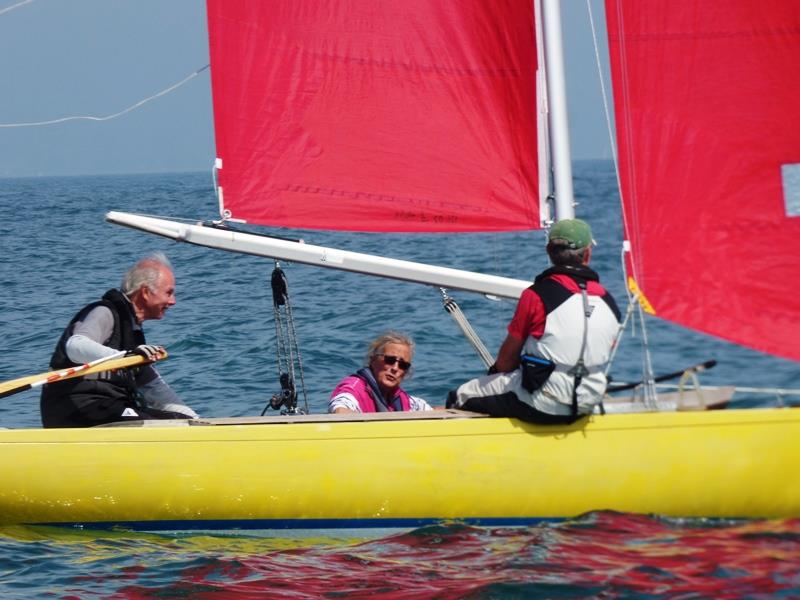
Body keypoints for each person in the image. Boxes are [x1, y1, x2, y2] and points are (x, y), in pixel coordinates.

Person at [447, 218, 621, 424]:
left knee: (459, 396)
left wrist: (494, 375)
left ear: (549, 251)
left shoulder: (536, 296)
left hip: (543, 402)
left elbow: (507, 361)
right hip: (588, 402)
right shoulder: (609, 302)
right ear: (588, 254)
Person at [40, 252, 198, 428]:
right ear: (145, 292)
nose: (173, 301)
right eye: (169, 293)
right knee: (163, 427)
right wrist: (123, 357)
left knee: (178, 421)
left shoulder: (133, 333)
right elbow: (75, 346)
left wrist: (195, 420)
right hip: (76, 411)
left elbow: (155, 388)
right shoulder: (104, 313)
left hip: (110, 409)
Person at [328, 331, 433, 413]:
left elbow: (427, 411)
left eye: (403, 365)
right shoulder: (355, 387)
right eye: (390, 360)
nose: (395, 368)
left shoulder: (400, 398)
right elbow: (340, 406)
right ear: (373, 360)